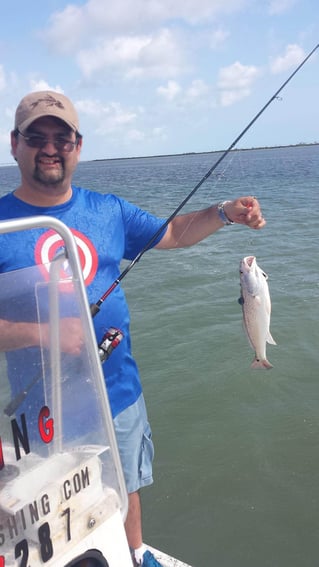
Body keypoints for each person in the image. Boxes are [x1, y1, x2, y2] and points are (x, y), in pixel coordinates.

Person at [0, 91, 266, 567]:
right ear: (15, 144)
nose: (50, 147)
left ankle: (136, 551)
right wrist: (44, 334)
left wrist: (225, 212)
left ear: (78, 146)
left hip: (117, 389)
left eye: (62, 138)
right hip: (42, 406)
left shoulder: (107, 211)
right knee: (53, 501)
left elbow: (171, 233)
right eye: (37, 137)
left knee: (125, 481)